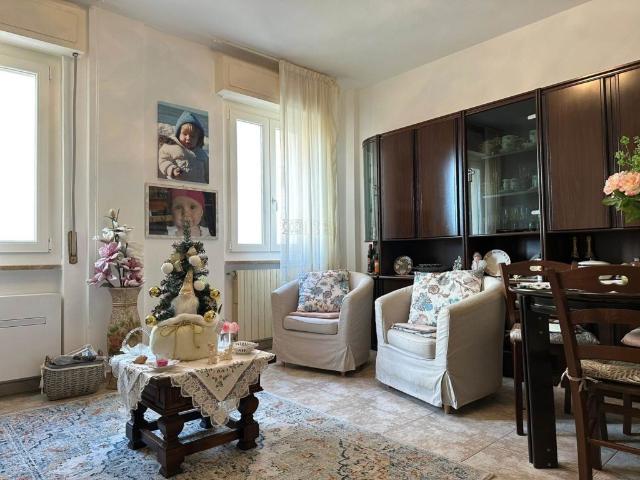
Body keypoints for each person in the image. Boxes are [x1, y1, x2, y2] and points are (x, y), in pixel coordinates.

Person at [158, 111, 208, 183]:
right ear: (178, 134)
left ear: (198, 139)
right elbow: (163, 161)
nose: (188, 138)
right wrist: (172, 170)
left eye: (192, 136)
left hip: (199, 187)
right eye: (185, 134)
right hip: (178, 185)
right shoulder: (171, 146)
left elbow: (208, 173)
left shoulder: (202, 154)